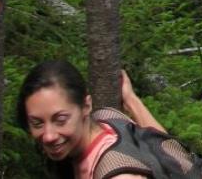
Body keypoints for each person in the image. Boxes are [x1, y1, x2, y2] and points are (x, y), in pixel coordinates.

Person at [15, 60, 173, 179]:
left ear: (86, 106)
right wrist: (131, 100)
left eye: (60, 120)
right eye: (37, 123)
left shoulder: (119, 175)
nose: (49, 136)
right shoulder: (106, 118)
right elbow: (167, 152)